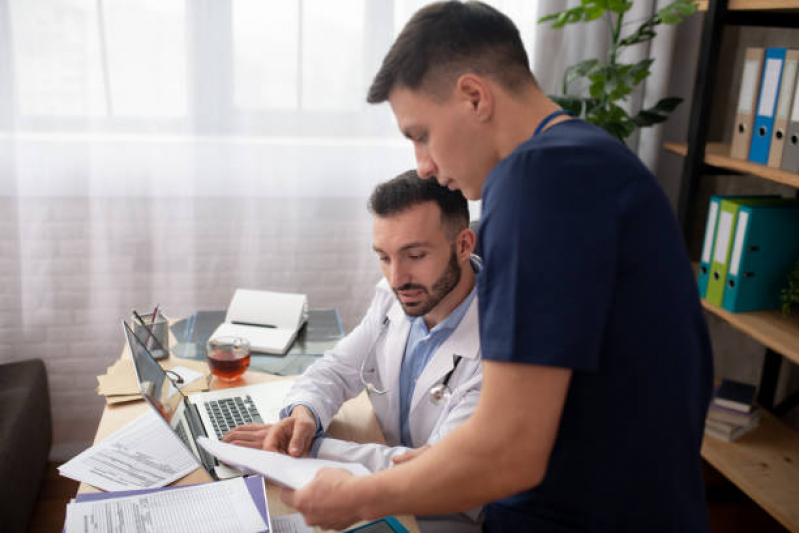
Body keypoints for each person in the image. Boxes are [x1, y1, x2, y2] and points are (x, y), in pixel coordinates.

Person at [281, 2, 714, 532]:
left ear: (474, 96)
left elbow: (509, 451)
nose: (425, 167)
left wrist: (362, 495)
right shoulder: (590, 159)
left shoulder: (534, 178)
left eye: (421, 134)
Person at [224, 171, 484, 532]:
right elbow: (336, 367)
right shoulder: (400, 295)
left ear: (463, 244)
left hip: (441, 517)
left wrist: (314, 449)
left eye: (415, 255)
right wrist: (305, 415)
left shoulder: (499, 347)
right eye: (384, 257)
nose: (396, 278)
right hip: (377, 487)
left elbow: (434, 472)